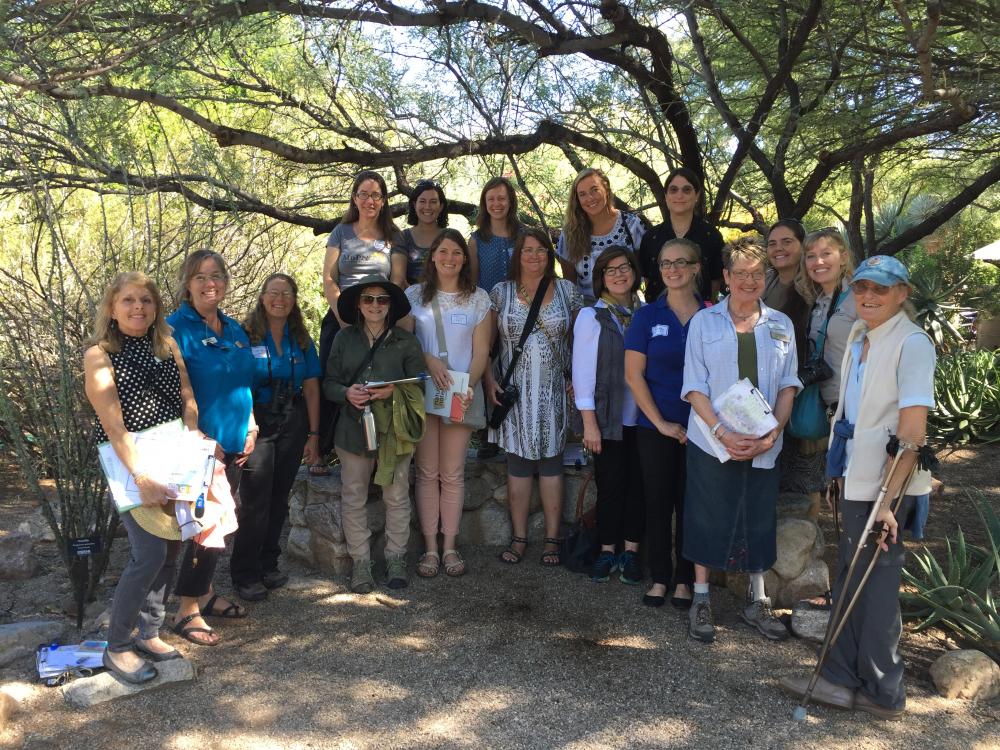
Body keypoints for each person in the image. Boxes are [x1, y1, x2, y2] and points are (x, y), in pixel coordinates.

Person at [780, 255, 935, 720]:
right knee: (851, 579)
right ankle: (841, 678)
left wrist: (888, 505)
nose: (869, 296)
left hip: (886, 488)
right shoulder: (862, 336)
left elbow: (912, 435)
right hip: (856, 477)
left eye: (881, 289)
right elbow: (853, 416)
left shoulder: (911, 343)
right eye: (862, 287)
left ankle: (883, 691)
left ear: (902, 294)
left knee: (877, 586)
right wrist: (838, 473)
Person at [681, 237, 800, 643]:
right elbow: (694, 386)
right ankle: (700, 599)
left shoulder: (781, 325)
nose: (749, 280)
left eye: (757, 273)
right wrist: (721, 431)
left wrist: (773, 433)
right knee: (705, 516)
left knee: (758, 518)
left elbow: (789, 384)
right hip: (712, 441)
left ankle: (757, 601)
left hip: (764, 442)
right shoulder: (703, 322)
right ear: (726, 277)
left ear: (765, 277)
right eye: (740, 273)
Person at [85, 272, 198, 683]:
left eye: (146, 301)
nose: (138, 308)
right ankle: (117, 646)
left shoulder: (167, 345)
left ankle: (149, 633)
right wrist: (142, 476)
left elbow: (188, 401)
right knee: (147, 551)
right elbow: (113, 426)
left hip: (174, 454)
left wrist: (193, 447)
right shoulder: (99, 354)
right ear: (112, 308)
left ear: (156, 308)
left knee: (170, 547)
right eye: (128, 301)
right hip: (129, 459)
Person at [167, 250, 256, 642]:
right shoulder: (173, 329)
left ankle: (203, 594)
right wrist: (199, 440)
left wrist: (251, 425)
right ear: (187, 283)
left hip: (235, 444)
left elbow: (244, 384)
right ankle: (186, 611)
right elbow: (171, 392)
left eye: (217, 276)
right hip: (199, 450)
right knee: (204, 527)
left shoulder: (235, 330)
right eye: (201, 277)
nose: (210, 283)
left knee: (220, 525)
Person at [323, 275, 426, 593]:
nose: (375, 305)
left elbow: (420, 383)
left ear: (391, 306)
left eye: (382, 300)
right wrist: (346, 393)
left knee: (396, 497)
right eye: (368, 299)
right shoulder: (344, 339)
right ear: (358, 304)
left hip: (394, 432)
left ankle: (396, 559)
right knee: (353, 497)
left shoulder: (406, 342)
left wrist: (392, 391)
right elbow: (328, 382)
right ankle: (362, 565)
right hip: (352, 431)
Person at [487, 228, 583, 566]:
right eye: (527, 250)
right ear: (518, 255)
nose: (535, 256)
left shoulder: (568, 293)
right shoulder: (501, 293)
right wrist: (488, 383)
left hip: (555, 391)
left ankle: (552, 539)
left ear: (550, 255)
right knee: (519, 465)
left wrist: (579, 381)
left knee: (552, 462)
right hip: (513, 393)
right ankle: (519, 537)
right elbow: (484, 346)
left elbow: (581, 343)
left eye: (542, 250)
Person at [401, 229, 492, 578]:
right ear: (432, 256)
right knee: (426, 473)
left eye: (456, 252)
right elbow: (405, 344)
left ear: (464, 259)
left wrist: (467, 386)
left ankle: (450, 546)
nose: (450, 258)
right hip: (424, 392)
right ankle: (429, 549)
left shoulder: (478, 299)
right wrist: (429, 359)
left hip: (462, 393)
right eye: (443, 251)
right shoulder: (413, 296)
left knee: (452, 473)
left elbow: (482, 350)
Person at [624, 238, 708, 608]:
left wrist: (707, 425)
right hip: (655, 428)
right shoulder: (646, 316)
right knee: (657, 503)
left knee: (690, 505)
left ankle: (685, 580)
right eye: (665, 264)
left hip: (703, 430)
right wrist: (660, 423)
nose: (672, 270)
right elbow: (633, 376)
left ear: (695, 268)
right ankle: (659, 576)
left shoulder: (712, 314)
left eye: (680, 263)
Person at [231, 274, 322, 601]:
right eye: (273, 292)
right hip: (257, 422)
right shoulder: (245, 335)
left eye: (286, 293)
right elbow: (237, 385)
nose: (279, 299)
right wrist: (246, 427)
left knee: (279, 497)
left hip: (292, 421)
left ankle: (269, 565)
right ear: (262, 297)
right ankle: (245, 573)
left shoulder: (300, 338)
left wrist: (313, 433)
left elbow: (311, 387)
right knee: (255, 500)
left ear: (294, 299)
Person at [318, 171, 407, 464]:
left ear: (384, 201)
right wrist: (344, 322)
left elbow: (396, 281)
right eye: (364, 194)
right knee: (332, 381)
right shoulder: (340, 232)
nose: (370, 200)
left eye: (376, 195)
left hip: (380, 319)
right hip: (341, 317)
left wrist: (378, 324)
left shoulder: (393, 237)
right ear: (354, 198)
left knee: (379, 385)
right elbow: (329, 280)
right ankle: (322, 451)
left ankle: (380, 450)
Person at [573, 246, 645, 584]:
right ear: (601, 277)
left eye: (624, 267)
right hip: (608, 419)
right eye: (610, 270)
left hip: (645, 420)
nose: (619, 274)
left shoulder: (645, 313)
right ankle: (605, 550)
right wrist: (590, 423)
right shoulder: (592, 316)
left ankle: (630, 552)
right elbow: (582, 373)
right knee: (610, 486)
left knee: (639, 489)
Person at [556, 168, 645, 303]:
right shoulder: (570, 234)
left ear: (606, 188)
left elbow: (646, 273)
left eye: (594, 190)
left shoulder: (632, 225)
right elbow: (570, 285)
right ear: (577, 199)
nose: (589, 198)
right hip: (589, 314)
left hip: (630, 310)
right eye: (582, 194)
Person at [638, 168, 724, 303]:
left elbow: (715, 281)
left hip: (700, 315)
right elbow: (649, 280)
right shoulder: (651, 237)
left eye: (687, 190)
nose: (679, 195)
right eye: (673, 190)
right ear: (666, 196)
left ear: (697, 195)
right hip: (658, 316)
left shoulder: (711, 236)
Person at [796, 228, 858, 407]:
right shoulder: (817, 300)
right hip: (826, 403)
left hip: (855, 403)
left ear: (844, 257)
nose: (818, 261)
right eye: (811, 256)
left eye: (826, 254)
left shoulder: (859, 298)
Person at [469, 176, 521, 294]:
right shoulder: (476, 240)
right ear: (484, 203)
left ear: (510, 201)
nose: (496, 203)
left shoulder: (525, 236)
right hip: (488, 308)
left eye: (501, 198)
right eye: (491, 199)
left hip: (522, 309)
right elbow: (472, 283)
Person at [401, 180, 448, 285]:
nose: (427, 207)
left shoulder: (451, 237)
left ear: (441, 206)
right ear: (414, 204)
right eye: (422, 201)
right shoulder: (403, 237)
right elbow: (399, 279)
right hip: (410, 299)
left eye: (433, 202)